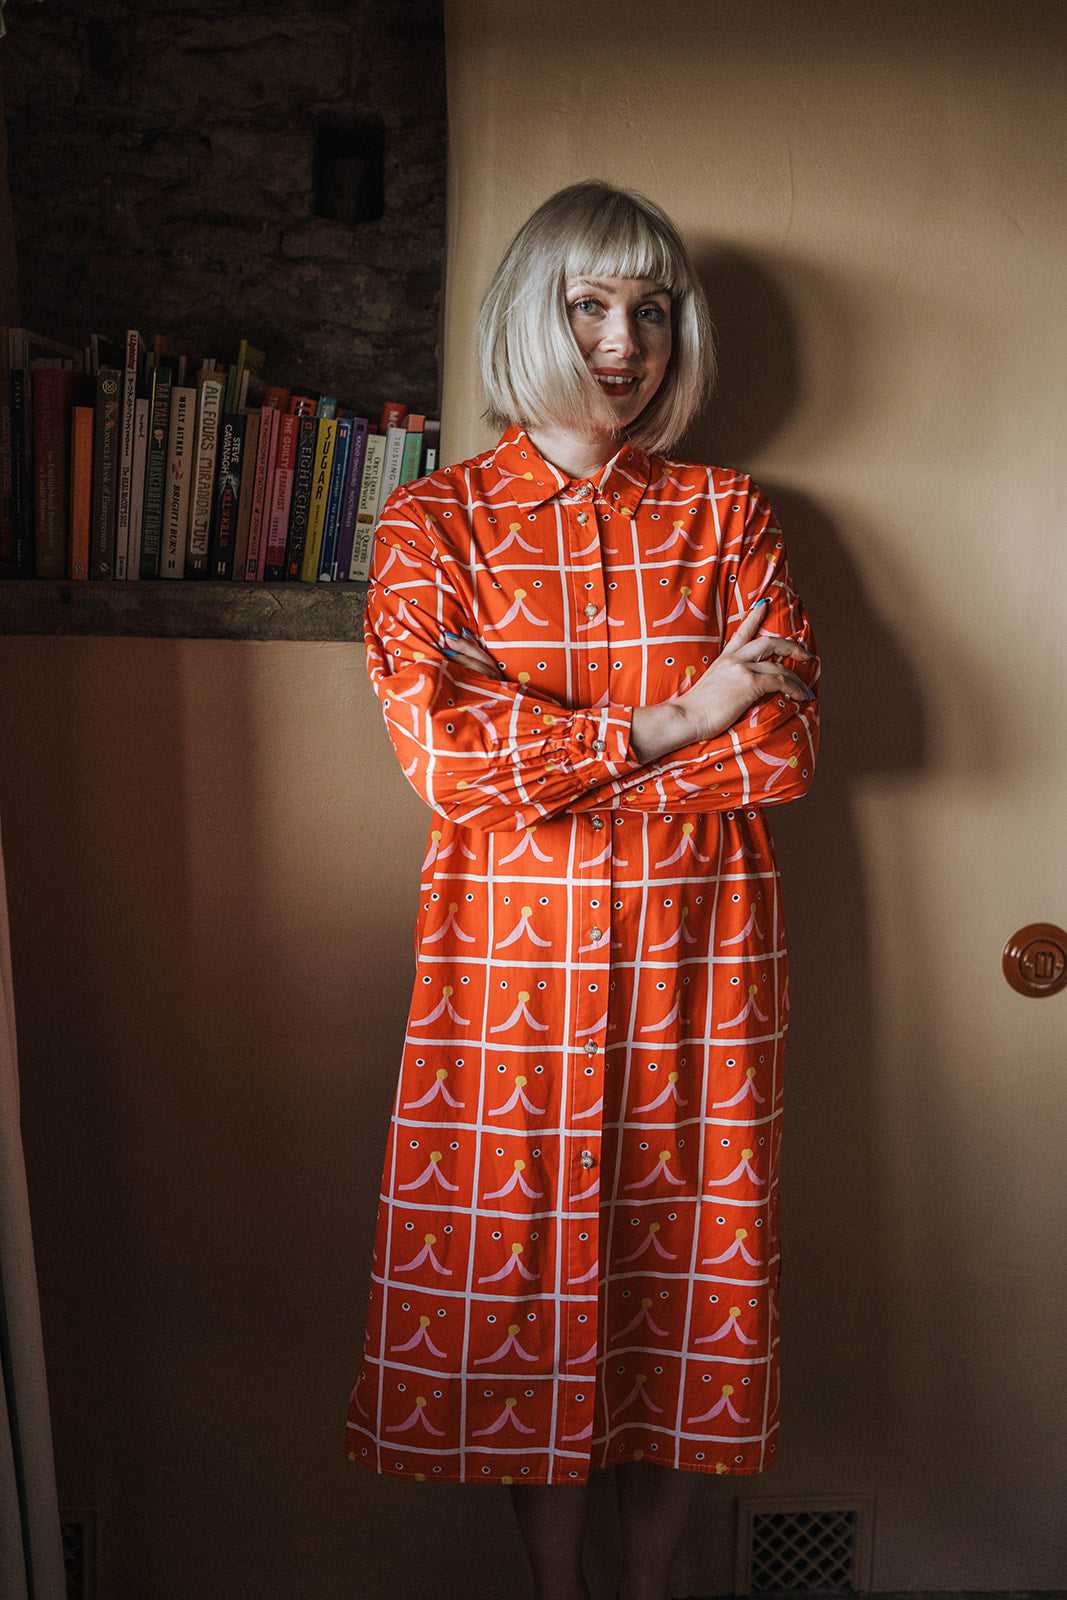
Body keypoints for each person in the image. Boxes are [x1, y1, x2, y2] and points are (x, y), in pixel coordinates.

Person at [348, 180, 819, 1600]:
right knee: (529, 1296)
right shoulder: (432, 527)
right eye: (591, 304)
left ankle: (653, 1588)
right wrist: (675, 721)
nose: (628, 341)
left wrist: (555, 755)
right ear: (530, 317)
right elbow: (444, 761)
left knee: (682, 1283)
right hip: (510, 978)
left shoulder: (728, 514)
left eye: (653, 309)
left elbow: (783, 749)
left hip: (701, 958)